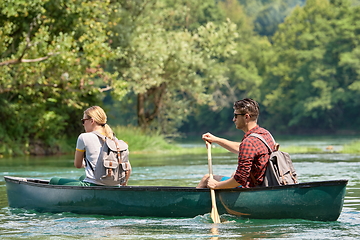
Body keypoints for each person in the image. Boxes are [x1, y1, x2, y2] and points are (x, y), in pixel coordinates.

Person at [196, 98, 275, 189]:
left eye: (236, 116)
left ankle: (191, 202)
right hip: (265, 183)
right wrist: (216, 140)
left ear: (246, 117)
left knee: (207, 179)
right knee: (233, 174)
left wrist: (216, 185)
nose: (234, 119)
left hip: (252, 187)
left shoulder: (249, 143)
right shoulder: (264, 134)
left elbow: (240, 179)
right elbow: (241, 147)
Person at [50, 106, 131, 186]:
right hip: (115, 185)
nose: (83, 124)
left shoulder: (84, 137)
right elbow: (128, 168)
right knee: (83, 177)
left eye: (83, 121)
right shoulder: (114, 140)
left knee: (54, 180)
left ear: (92, 121)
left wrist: (88, 162)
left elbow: (78, 165)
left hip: (93, 185)